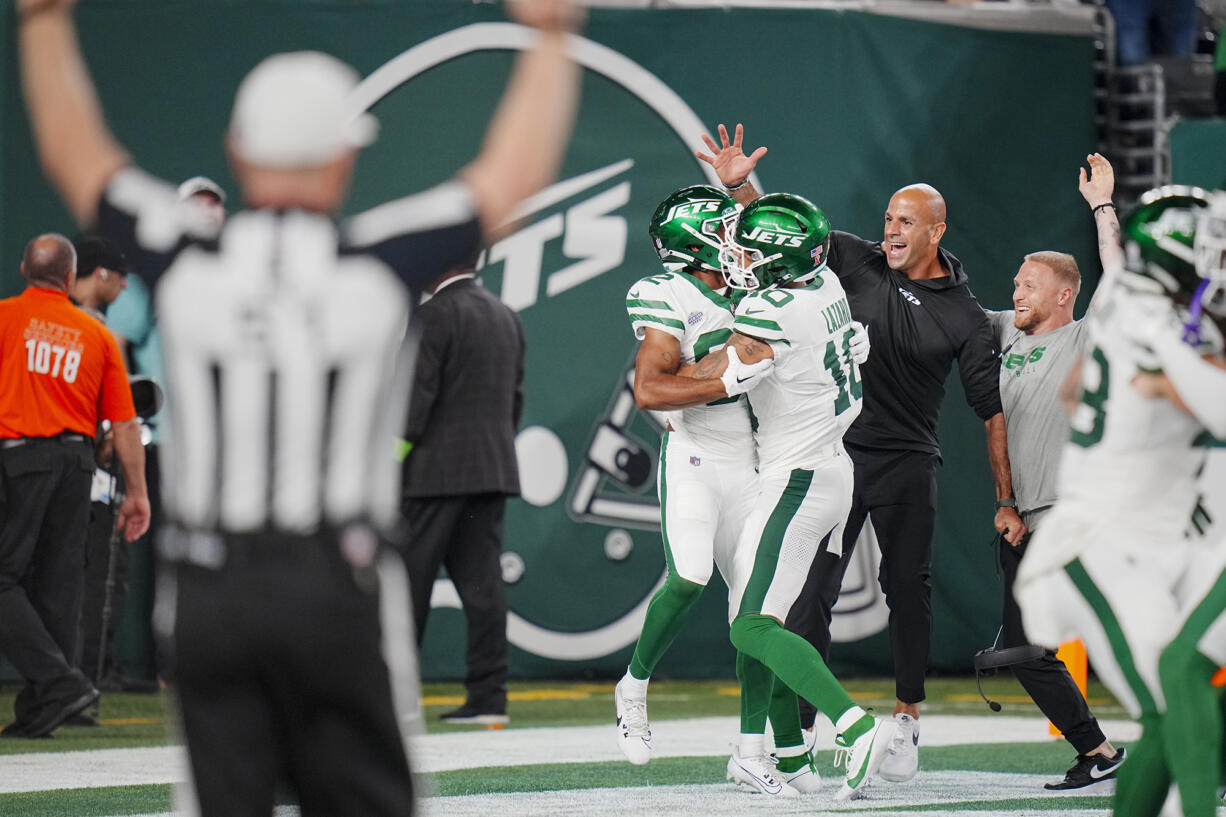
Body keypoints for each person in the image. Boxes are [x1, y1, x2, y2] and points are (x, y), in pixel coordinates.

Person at [16, 0, 581, 812]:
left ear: (238, 151)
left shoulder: (185, 256)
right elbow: (510, 175)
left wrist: (41, 20)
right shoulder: (382, 258)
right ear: (344, 160)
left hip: (212, 581)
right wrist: (554, 35)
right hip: (335, 580)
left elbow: (79, 158)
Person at [699, 124, 1015, 780]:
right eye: (888, 218)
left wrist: (1007, 495)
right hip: (836, 456)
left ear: (936, 230)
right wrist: (737, 186)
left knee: (909, 588)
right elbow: (780, 234)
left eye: (906, 221)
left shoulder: (964, 313)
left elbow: (991, 412)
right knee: (810, 593)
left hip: (907, 460)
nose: (892, 230)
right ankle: (809, 725)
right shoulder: (852, 257)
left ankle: (906, 719)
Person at [1014, 185, 1225, 817]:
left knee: (1176, 709)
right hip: (1097, 546)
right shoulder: (1153, 318)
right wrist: (1169, 386)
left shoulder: (1132, 308)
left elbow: (1079, 391)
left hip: (1144, 539)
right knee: (1178, 690)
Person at [684, 192, 896, 802]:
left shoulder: (771, 311)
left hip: (796, 477)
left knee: (749, 626)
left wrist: (667, 372)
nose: (740, 259)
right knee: (768, 618)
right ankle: (792, 755)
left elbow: (715, 374)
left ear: (778, 261)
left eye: (752, 251)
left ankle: (853, 727)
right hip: (830, 466)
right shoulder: (824, 279)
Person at [614, 185, 822, 796]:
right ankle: (634, 687)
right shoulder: (669, 295)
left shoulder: (759, 288)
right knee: (688, 577)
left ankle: (750, 750)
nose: (740, 240)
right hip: (698, 457)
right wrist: (725, 378)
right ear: (697, 242)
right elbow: (650, 390)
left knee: (754, 615)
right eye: (727, 229)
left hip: (757, 465)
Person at [981, 156, 1125, 791]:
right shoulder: (1002, 334)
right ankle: (1097, 751)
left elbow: (1118, 279)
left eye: (1029, 284)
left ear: (1065, 295)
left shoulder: (1085, 338)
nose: (1016, 292)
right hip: (1024, 521)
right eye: (1014, 282)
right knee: (1024, 651)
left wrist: (1102, 207)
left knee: (1144, 647)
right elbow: (946, 307)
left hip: (1083, 520)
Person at [0, 234, 150, 739]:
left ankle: (60, 684)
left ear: (24, 268)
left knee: (3, 578)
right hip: (79, 466)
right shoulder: (96, 334)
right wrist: (138, 493)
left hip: (20, 461)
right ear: (69, 279)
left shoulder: (4, 319)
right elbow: (126, 424)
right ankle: (51, 705)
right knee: (59, 589)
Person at [394, 253, 525, 726]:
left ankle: (397, 700)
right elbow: (515, 400)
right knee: (483, 586)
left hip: (433, 477)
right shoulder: (506, 316)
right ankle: (489, 699)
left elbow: (413, 402)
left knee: (405, 586)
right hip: (490, 473)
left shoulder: (432, 315)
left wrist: (390, 464)